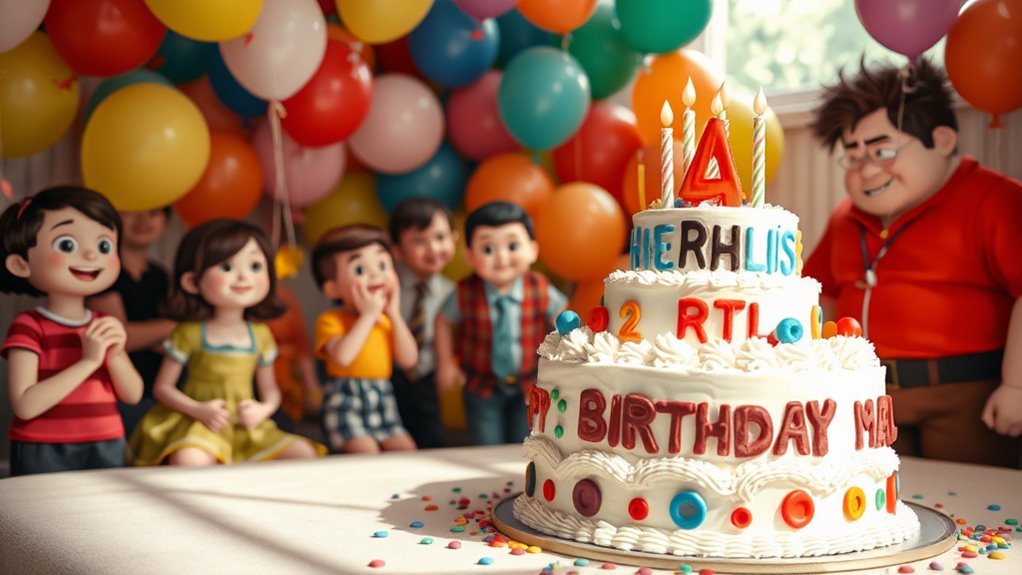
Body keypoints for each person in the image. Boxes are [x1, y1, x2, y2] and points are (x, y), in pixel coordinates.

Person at [804, 57, 1022, 468]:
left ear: (940, 140)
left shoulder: (995, 200)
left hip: (965, 395)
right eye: (853, 155)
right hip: (867, 399)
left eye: (882, 150)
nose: (866, 168)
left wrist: (1017, 386)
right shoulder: (845, 217)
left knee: (974, 501)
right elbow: (819, 294)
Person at [129, 219, 325, 465]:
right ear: (192, 281)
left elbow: (270, 390)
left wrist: (262, 410)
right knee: (190, 460)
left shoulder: (261, 334)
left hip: (245, 424)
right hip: (200, 421)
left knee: (303, 453)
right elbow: (163, 388)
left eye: (255, 266)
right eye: (226, 267)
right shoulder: (189, 332)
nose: (243, 276)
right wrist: (198, 410)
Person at [0, 186, 143, 476]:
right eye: (67, 244)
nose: (91, 254)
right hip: (43, 446)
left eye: (104, 246)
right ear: (20, 263)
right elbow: (25, 405)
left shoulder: (104, 322)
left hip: (106, 441)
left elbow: (133, 394)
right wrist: (89, 361)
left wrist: (115, 356)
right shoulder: (29, 325)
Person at [435, 201, 566, 445]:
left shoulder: (540, 288)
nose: (501, 257)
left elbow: (563, 317)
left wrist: (565, 352)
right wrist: (445, 362)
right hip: (481, 385)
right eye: (487, 249)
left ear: (532, 250)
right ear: (470, 256)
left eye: (513, 245)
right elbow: (443, 320)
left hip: (529, 383)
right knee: (486, 441)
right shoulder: (465, 292)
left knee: (524, 439)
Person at [312, 224, 418, 454]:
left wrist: (394, 314)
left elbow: (409, 360)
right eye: (360, 270)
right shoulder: (331, 320)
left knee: (406, 449)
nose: (375, 275)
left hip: (382, 397)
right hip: (346, 400)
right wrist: (368, 316)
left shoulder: (387, 319)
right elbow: (342, 357)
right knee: (365, 451)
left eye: (382, 265)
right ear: (332, 289)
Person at [88, 207, 175, 436]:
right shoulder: (103, 272)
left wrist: (155, 334)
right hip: (116, 390)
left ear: (165, 224)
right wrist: (169, 328)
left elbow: (176, 343)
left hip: (160, 387)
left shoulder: (161, 275)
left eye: (153, 213)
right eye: (130, 211)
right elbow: (119, 338)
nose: (143, 220)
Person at [387, 198, 458, 449]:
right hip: (386, 375)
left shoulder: (452, 293)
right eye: (419, 241)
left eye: (440, 238)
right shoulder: (387, 286)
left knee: (429, 438)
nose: (432, 248)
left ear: (454, 239)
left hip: (426, 378)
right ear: (397, 250)